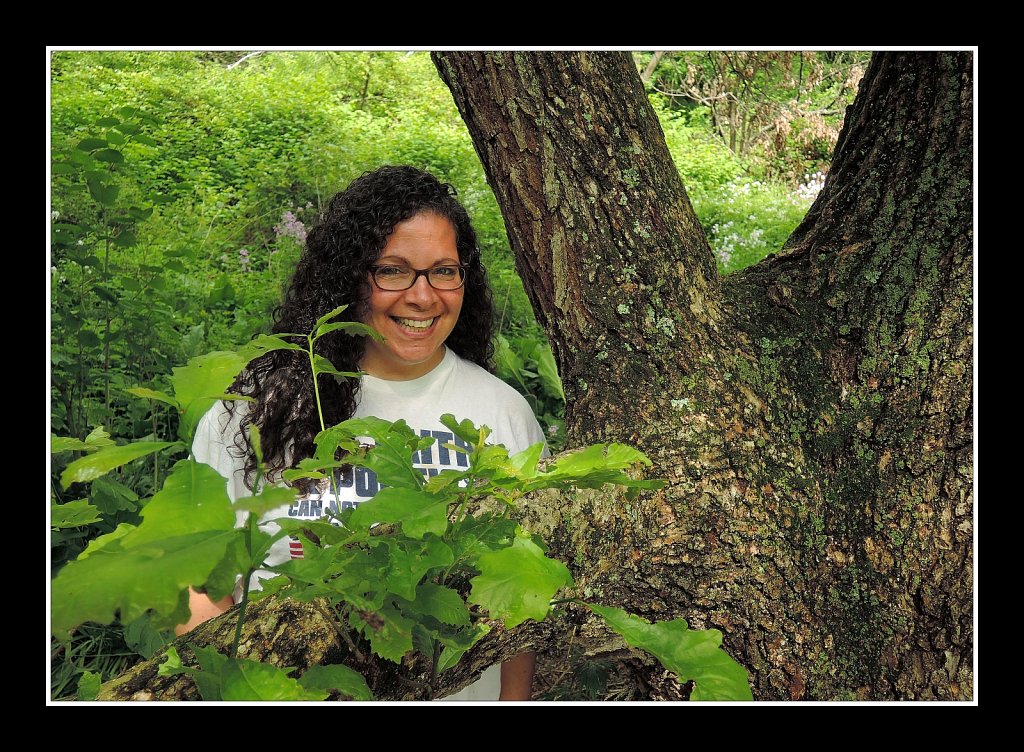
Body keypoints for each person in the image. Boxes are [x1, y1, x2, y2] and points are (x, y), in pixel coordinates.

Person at [184, 165, 547, 702]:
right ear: (350, 276)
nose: (423, 297)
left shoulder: (503, 414)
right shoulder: (258, 410)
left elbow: (522, 601)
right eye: (394, 271)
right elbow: (194, 586)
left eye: (444, 271)